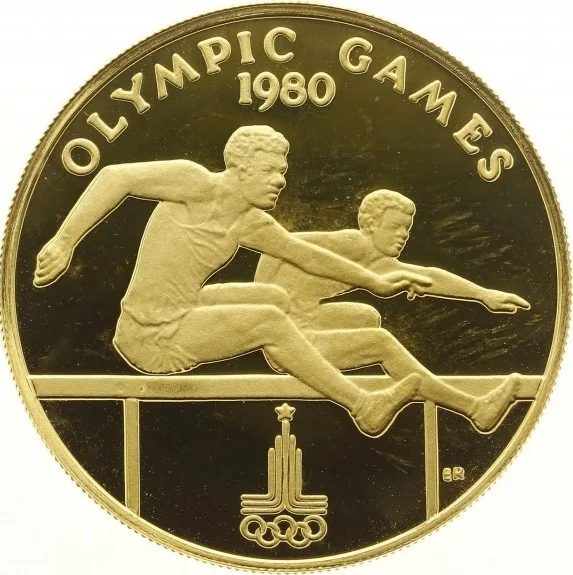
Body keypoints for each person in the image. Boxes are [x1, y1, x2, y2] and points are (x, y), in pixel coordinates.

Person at [34, 125, 434, 438]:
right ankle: (361, 403)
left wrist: (375, 282)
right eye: (270, 170)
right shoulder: (192, 182)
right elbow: (115, 177)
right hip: (152, 338)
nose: (280, 180)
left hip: (184, 313)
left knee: (275, 297)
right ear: (241, 167)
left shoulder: (249, 222)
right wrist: (64, 241)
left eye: (283, 172)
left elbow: (307, 256)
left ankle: (301, 356)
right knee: (268, 320)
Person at [255, 189, 531, 433]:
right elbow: (276, 248)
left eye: (407, 229)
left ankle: (355, 369)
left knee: (367, 317)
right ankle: (473, 407)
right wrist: (264, 302)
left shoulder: (380, 264)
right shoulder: (351, 243)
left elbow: (429, 275)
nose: (403, 236)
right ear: (371, 225)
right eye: (395, 227)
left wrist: (483, 295)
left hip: (304, 323)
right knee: (381, 342)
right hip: (287, 342)